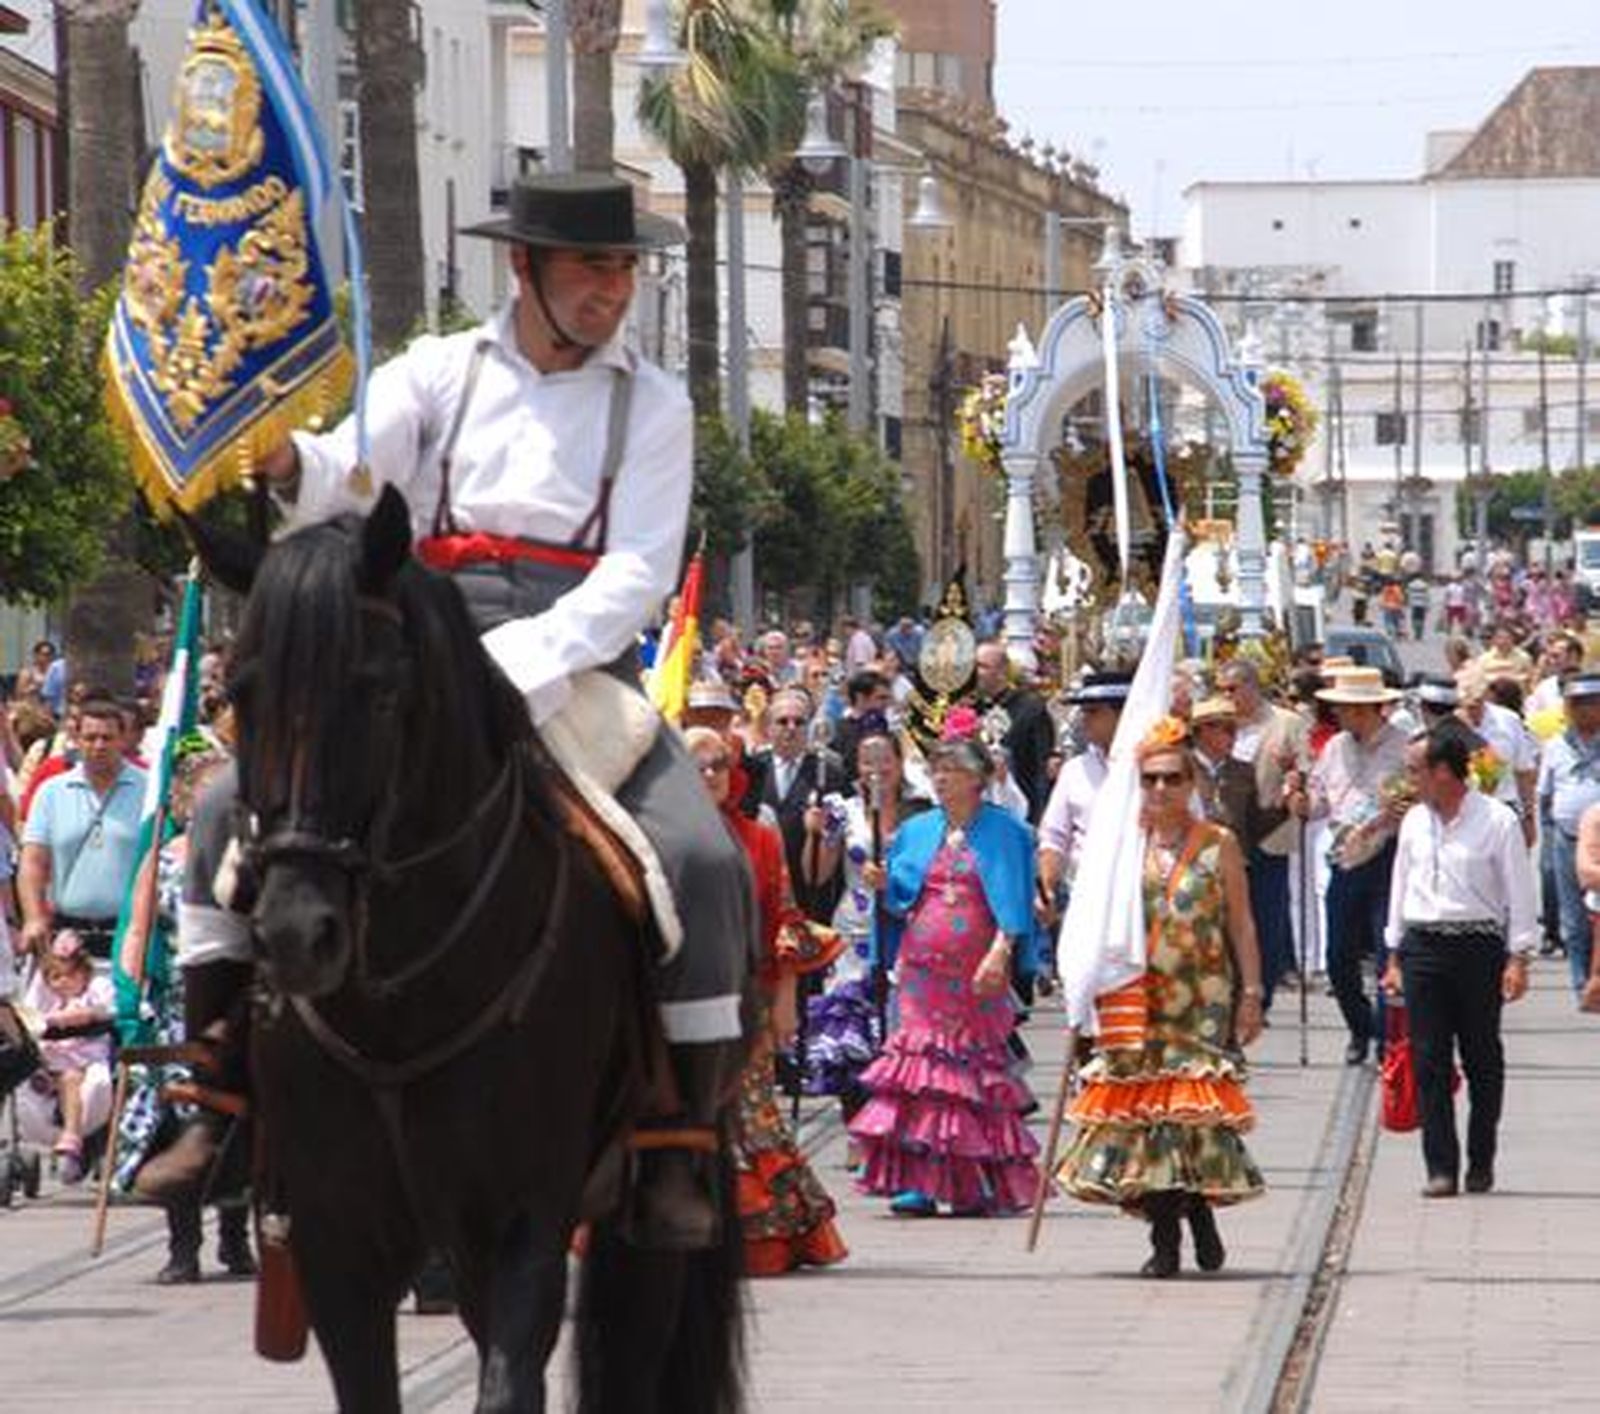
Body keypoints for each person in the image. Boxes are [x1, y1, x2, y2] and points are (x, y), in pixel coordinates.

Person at [177, 174, 757, 1248]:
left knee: (702, 860)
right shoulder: (438, 371)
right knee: (221, 814)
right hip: (410, 636)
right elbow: (349, 481)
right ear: (523, 267)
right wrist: (281, 459)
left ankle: (676, 1134)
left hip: (571, 658)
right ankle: (214, 1094)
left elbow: (636, 573)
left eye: (625, 267)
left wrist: (518, 664)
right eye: (592, 266)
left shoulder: (654, 403)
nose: (613, 287)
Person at [1055, 717, 1265, 1277]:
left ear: (1192, 783)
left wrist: (1252, 991)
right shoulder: (1121, 846)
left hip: (1202, 1001)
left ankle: (1195, 1212)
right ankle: (1168, 1234)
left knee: (1190, 1118)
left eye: (1173, 779)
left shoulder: (1218, 843)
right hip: (1138, 1000)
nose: (1161, 791)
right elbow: (1093, 921)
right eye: (1150, 780)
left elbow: (1242, 923)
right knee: (1148, 1120)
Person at [848, 733, 1040, 1216]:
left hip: (976, 970)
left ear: (977, 779)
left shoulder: (1008, 832)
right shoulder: (916, 830)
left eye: (951, 771)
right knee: (924, 1071)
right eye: (935, 771)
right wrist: (881, 882)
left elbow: (1014, 899)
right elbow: (899, 897)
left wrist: (1002, 952)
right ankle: (921, 1179)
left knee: (972, 1068)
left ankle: (976, 1176)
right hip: (921, 971)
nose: (940, 780)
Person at [683, 727, 847, 1276]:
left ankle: (759, 1234)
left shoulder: (759, 840)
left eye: (717, 765)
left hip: (745, 1000)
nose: (708, 775)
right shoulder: (656, 836)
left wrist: (785, 1000)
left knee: (750, 1112)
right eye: (697, 765)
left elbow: (787, 921)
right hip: (674, 1003)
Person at [114, 740, 256, 1283]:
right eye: (202, 797)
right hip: (177, 997)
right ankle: (182, 1247)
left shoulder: (248, 845)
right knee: (178, 1117)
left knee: (239, 1099)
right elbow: (138, 926)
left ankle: (235, 1241)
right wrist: (130, 994)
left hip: (240, 983)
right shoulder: (164, 855)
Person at [1380, 721, 1535, 1196]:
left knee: (1482, 1055)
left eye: (1416, 771)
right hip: (1424, 946)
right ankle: (1440, 1166)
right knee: (1428, 1057)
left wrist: (1519, 955)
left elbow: (1519, 892)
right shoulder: (1413, 821)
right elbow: (1400, 886)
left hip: (1477, 947)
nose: (1410, 781)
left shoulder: (1496, 821)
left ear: (1444, 772)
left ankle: (1481, 1157)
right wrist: (1394, 953)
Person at [804, 721, 932, 1116]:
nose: (876, 768)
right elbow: (815, 875)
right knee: (854, 1025)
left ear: (899, 762)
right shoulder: (843, 810)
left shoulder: (923, 811)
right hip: (855, 927)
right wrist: (816, 835)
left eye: (884, 759)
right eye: (866, 761)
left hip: (907, 926)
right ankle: (859, 1117)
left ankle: (903, 1114)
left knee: (901, 1022)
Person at [1288, 667, 1410, 1063]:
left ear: (1369, 709)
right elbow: (1320, 801)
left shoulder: (1404, 748)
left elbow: (1420, 802)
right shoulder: (1335, 747)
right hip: (1346, 855)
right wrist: (1301, 799)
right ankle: (1361, 1027)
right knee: (1339, 954)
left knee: (1384, 948)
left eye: (1347, 708)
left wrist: (1406, 808)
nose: (1340, 715)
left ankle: (1383, 1034)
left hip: (1389, 856)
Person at [17, 698, 147, 962]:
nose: (99, 745)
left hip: (131, 935)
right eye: (90, 737)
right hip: (66, 936)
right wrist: (33, 917)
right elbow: (32, 862)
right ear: (76, 739)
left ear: (123, 739)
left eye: (107, 737)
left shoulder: (148, 789)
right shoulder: (51, 792)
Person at [1218, 658, 1305, 1015]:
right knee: (1228, 919)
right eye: (1221, 690)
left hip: (1269, 833)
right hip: (1228, 835)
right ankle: (1231, 992)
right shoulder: (1218, 725)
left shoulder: (1286, 723)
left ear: (1252, 686)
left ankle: (1261, 994)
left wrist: (1296, 786)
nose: (1227, 696)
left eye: (1232, 689)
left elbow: (1304, 768)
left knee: (1266, 918)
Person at [20, 931, 114, 1183]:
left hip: (82, 1058)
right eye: (55, 978)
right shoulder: (49, 1004)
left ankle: (71, 1134)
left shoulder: (93, 994)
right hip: (52, 1057)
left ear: (85, 973)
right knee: (36, 1074)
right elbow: (30, 1016)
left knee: (70, 1079)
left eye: (70, 975)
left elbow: (105, 1010)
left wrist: (78, 1017)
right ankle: (49, 1089)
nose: (63, 982)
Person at [752, 686, 847, 922]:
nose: (791, 728)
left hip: (812, 892)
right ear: (768, 727)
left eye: (799, 722)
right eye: (782, 722)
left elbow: (837, 831)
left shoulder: (829, 772)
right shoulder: (752, 768)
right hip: (764, 888)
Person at [1536, 673, 1600, 996]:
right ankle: (1580, 982)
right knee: (1573, 917)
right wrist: (1547, 834)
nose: (1586, 711)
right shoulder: (1556, 747)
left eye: (1592, 703)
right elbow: (1544, 796)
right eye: (1579, 704)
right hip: (1565, 837)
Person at [973, 640, 1055, 825]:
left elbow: (1041, 770)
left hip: (1020, 810)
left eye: (982, 667)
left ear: (1002, 672)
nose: (975, 673)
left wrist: (1039, 820)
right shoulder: (970, 708)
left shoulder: (1030, 708)